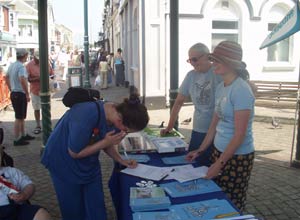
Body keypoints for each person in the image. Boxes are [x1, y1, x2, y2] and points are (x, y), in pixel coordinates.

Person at [41, 93, 149, 220]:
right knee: (74, 208)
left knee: (96, 206)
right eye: (127, 130)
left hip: (88, 163)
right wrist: (106, 142)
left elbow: (106, 141)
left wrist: (121, 160)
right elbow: (75, 152)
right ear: (120, 120)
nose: (124, 133)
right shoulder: (85, 114)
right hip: (62, 161)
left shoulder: (116, 115)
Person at [186, 41, 255, 211]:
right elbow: (214, 125)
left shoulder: (241, 90)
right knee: (217, 200)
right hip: (219, 151)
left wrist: (219, 164)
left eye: (217, 60)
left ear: (231, 64)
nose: (213, 63)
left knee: (231, 203)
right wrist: (201, 150)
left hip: (237, 157)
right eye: (212, 59)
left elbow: (239, 135)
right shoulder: (221, 87)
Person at [161, 43, 221, 166]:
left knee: (213, 166)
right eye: (190, 60)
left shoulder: (218, 73)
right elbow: (178, 102)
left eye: (195, 59)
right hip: (199, 129)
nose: (192, 63)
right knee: (194, 164)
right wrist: (170, 126)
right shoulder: (191, 75)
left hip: (219, 131)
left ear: (206, 56)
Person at [0, 147, 51, 220]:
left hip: (16, 210)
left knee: (42, 214)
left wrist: (24, 194)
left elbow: (29, 185)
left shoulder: (11, 172)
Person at [5, 49, 35, 146]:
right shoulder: (21, 67)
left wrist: (11, 88)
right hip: (20, 93)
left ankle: (23, 134)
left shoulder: (12, 65)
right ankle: (17, 138)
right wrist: (27, 93)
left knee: (21, 116)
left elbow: (6, 77)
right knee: (19, 117)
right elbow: (22, 79)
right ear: (25, 55)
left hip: (14, 92)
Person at [26, 50, 54, 134]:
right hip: (35, 90)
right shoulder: (29, 65)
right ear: (34, 57)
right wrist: (37, 78)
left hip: (46, 90)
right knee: (37, 108)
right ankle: (38, 125)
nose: (38, 60)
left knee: (46, 108)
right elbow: (28, 79)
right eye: (37, 58)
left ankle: (47, 125)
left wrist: (50, 78)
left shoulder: (46, 63)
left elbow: (52, 74)